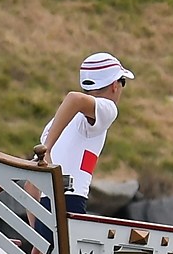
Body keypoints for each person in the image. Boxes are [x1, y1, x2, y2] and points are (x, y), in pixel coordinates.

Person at [38, 52, 134, 216]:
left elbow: (31, 185)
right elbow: (74, 98)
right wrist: (47, 148)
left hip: (44, 205)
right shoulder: (108, 108)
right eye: (122, 81)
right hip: (71, 202)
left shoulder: (54, 125)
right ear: (114, 85)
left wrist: (35, 238)